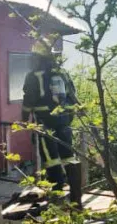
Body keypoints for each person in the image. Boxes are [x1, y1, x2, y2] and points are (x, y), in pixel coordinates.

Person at [21, 39, 82, 206]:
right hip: (64, 120)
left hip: (45, 121)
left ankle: (56, 200)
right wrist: (68, 117)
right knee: (69, 157)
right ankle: (76, 198)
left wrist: (24, 120)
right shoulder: (62, 73)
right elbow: (72, 95)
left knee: (51, 159)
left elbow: (28, 100)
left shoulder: (33, 76)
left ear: (37, 57)